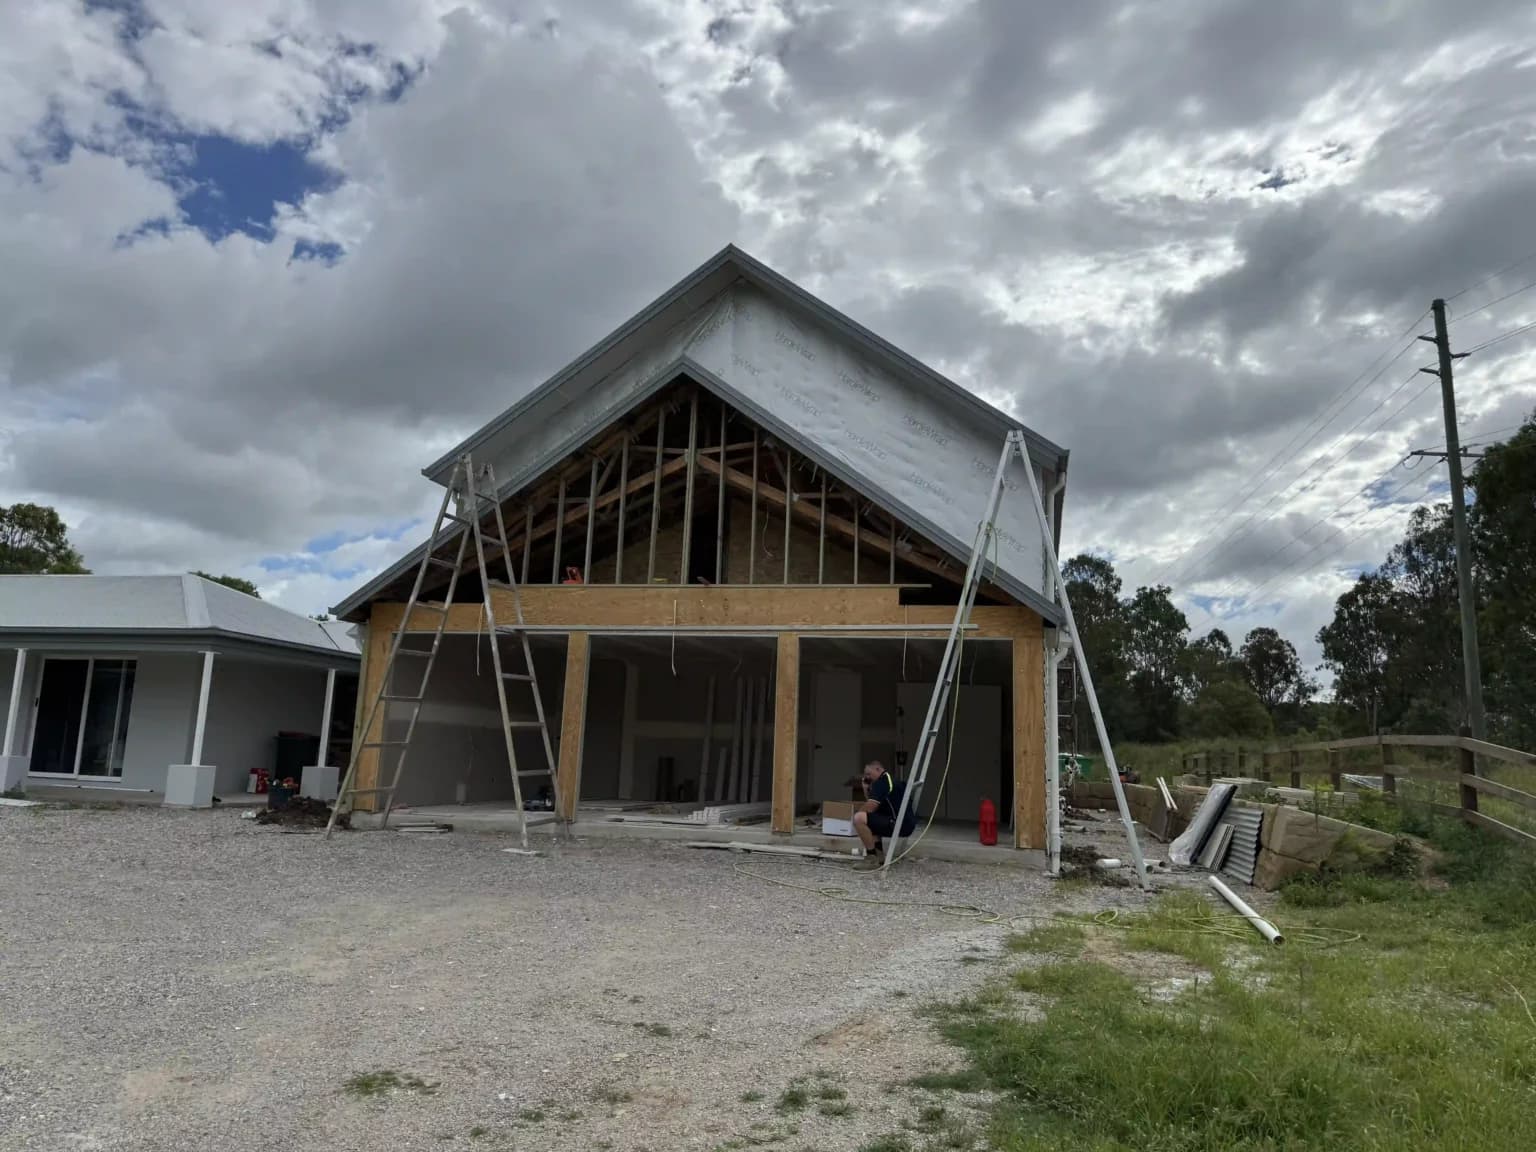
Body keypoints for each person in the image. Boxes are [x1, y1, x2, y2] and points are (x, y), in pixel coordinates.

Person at [852, 759, 917, 869]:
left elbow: (870, 807)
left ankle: (871, 858)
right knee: (870, 819)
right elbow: (872, 804)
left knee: (859, 818)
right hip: (906, 823)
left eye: (869, 774)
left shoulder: (881, 783)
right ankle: (879, 857)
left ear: (878, 769)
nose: (867, 777)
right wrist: (865, 788)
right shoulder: (891, 780)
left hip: (898, 824)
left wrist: (855, 817)